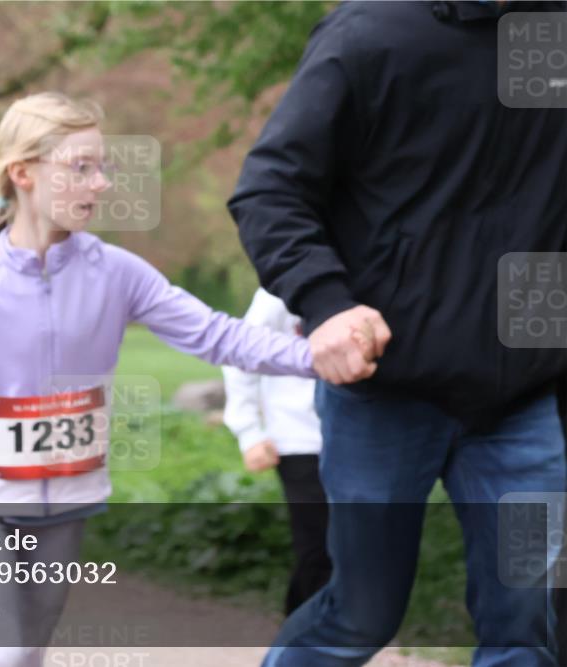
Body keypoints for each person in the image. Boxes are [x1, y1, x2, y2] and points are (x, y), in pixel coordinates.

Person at [0, 92, 375, 667]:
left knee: (25, 656)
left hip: (69, 502)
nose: (101, 183)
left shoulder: (116, 273)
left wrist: (317, 356)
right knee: (3, 652)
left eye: (102, 167)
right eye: (81, 167)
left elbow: (218, 335)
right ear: (24, 173)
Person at [227, 1, 567, 666]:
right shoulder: (371, 32)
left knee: (526, 626)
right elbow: (269, 191)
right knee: (359, 617)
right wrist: (327, 304)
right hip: (386, 389)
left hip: (522, 402)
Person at [222, 287, 331, 617]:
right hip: (298, 439)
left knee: (357, 546)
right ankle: (303, 633)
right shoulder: (278, 292)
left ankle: (340, 629)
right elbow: (239, 352)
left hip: (362, 437)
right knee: (317, 547)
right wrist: (249, 432)